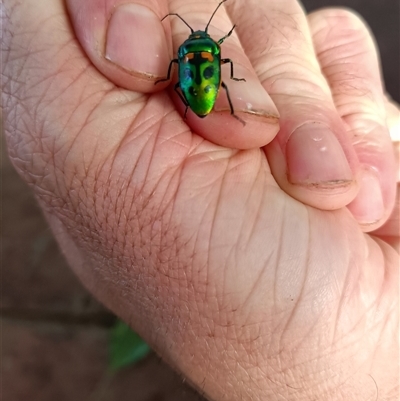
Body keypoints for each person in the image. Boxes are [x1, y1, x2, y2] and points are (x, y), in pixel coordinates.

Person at [2, 0, 398, 399]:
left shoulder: (185, 58)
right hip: (204, 94)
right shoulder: (214, 57)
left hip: (191, 94)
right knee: (220, 85)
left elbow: (178, 72)